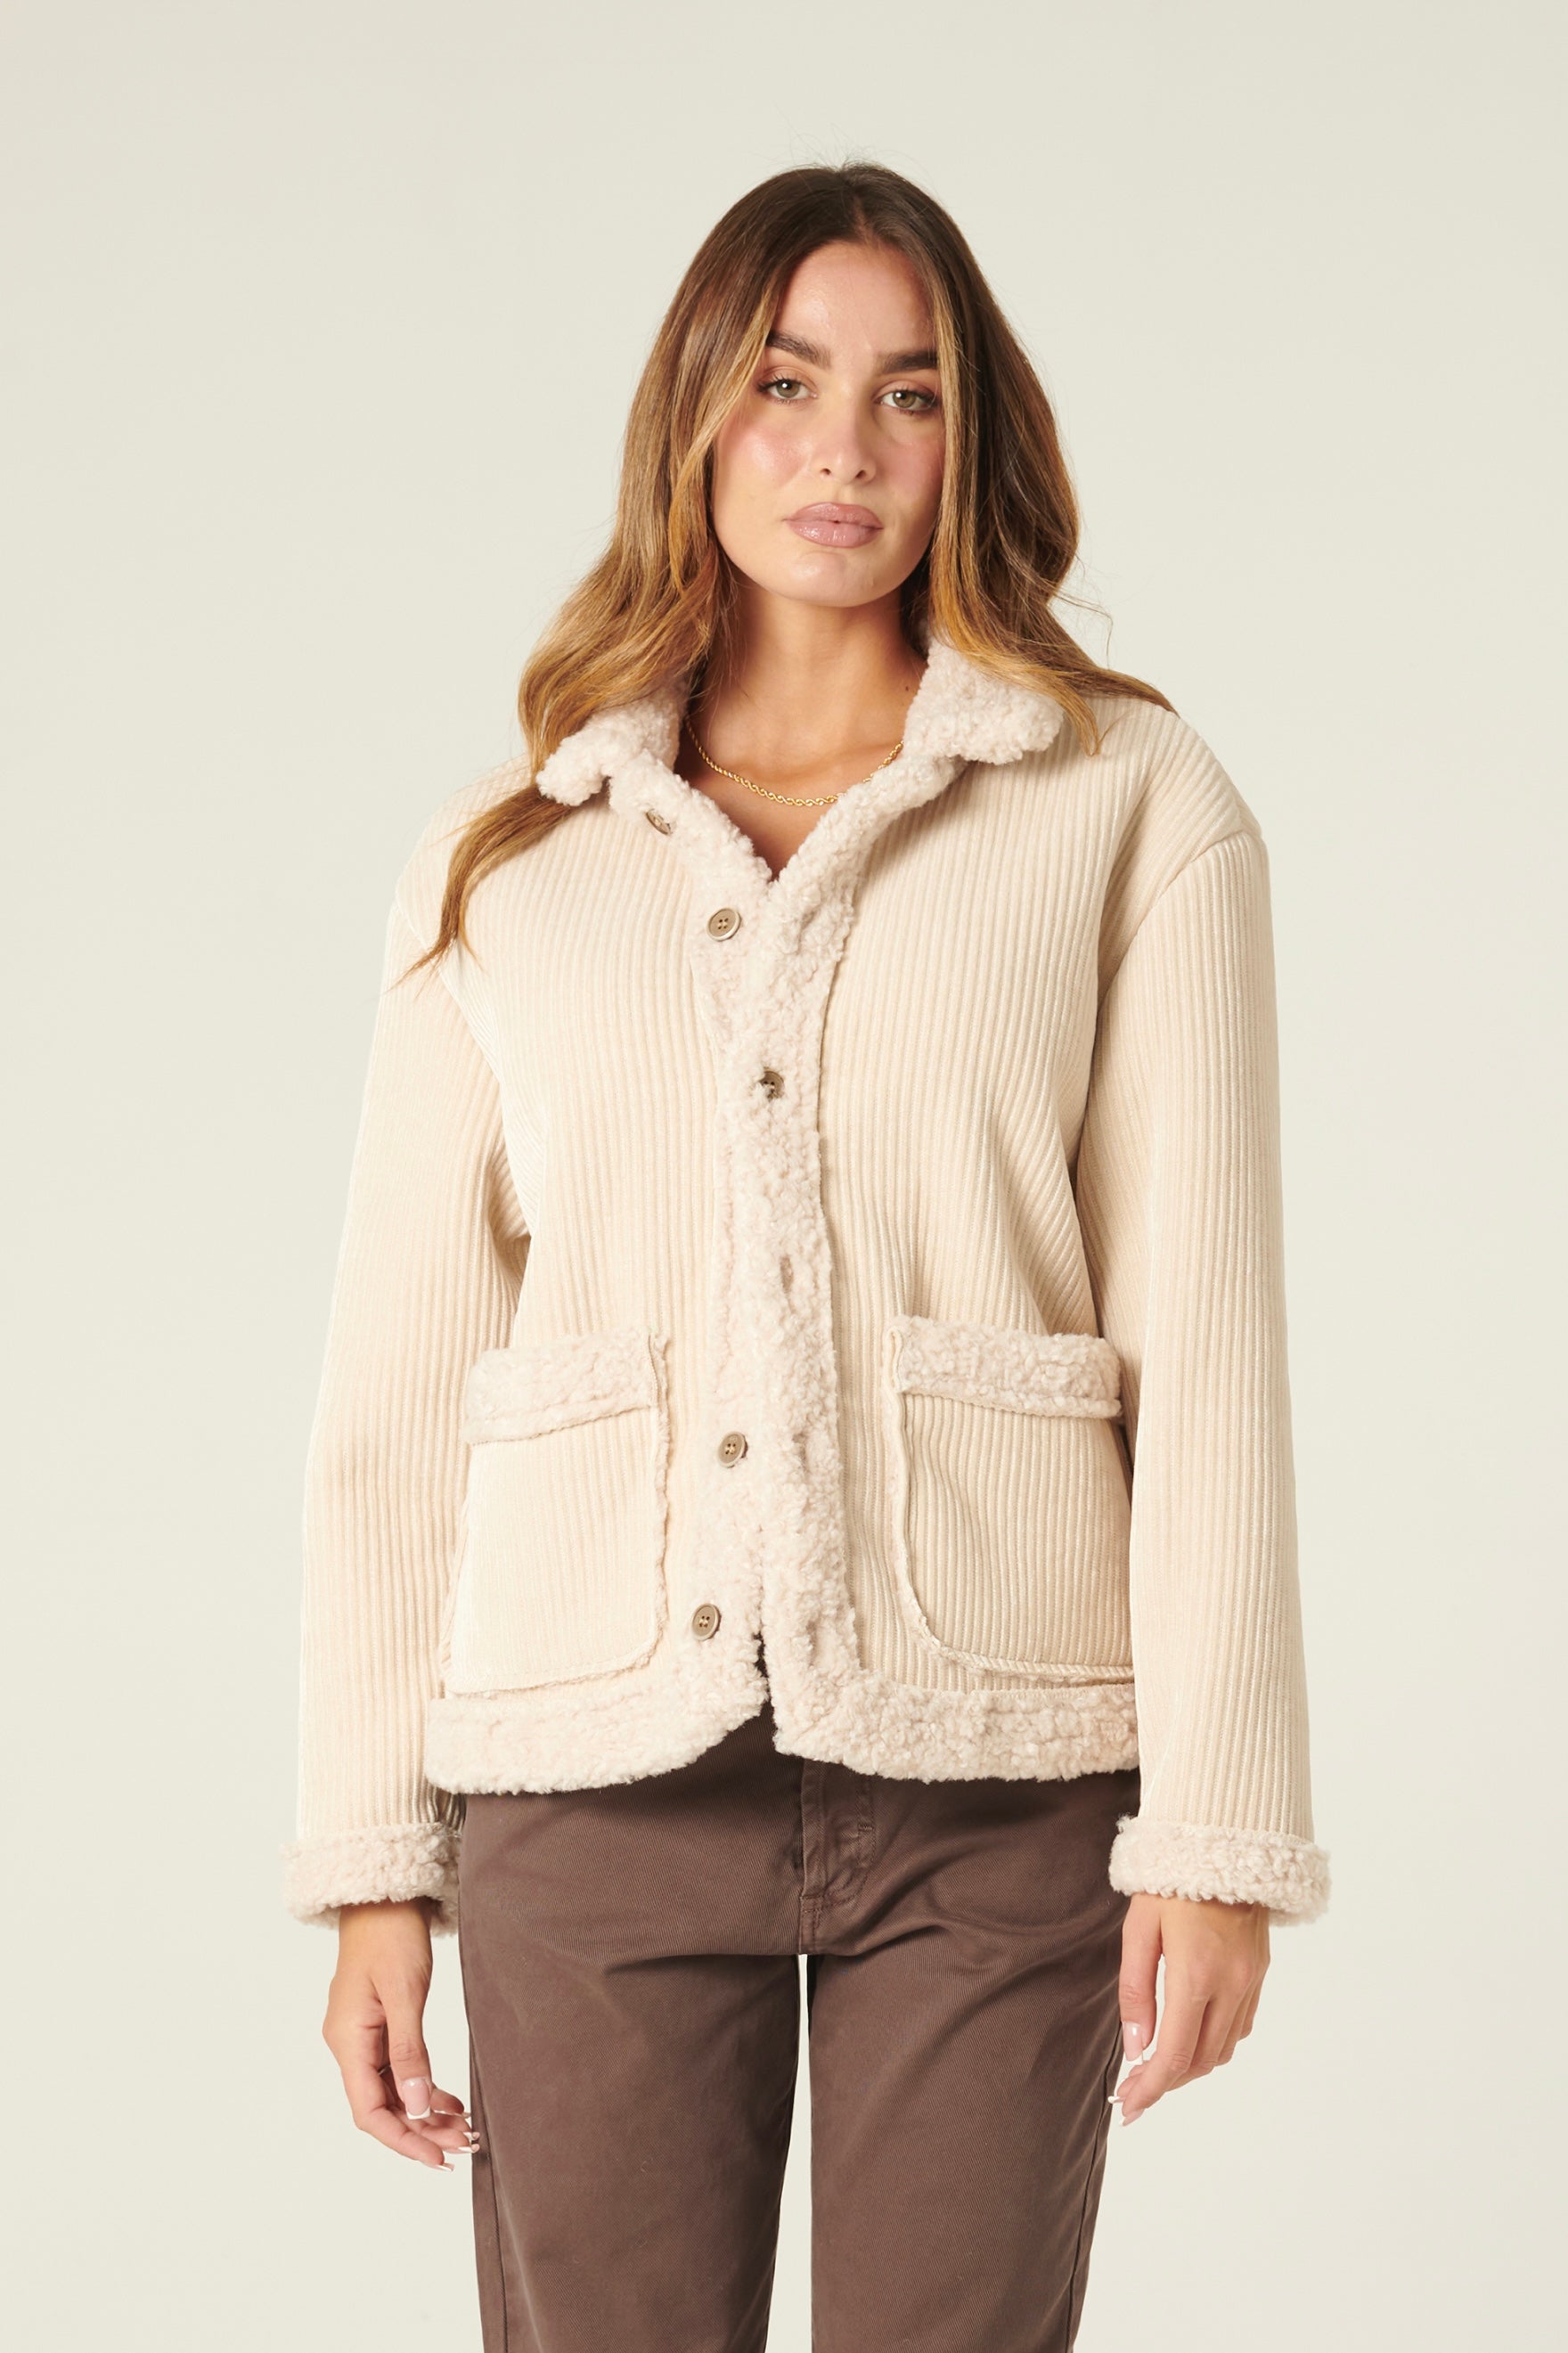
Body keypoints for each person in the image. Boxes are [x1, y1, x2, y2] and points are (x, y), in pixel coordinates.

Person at [282, 159, 1330, 2350]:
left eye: (906, 395)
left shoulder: (1125, 801)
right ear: (693, 412)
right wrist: (371, 1861)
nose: (843, 448)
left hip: (997, 1776)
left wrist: (1217, 1832)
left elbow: (1208, 1332)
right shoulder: (512, 854)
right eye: (783, 383)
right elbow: (398, 1385)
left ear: (969, 441)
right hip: (585, 1776)